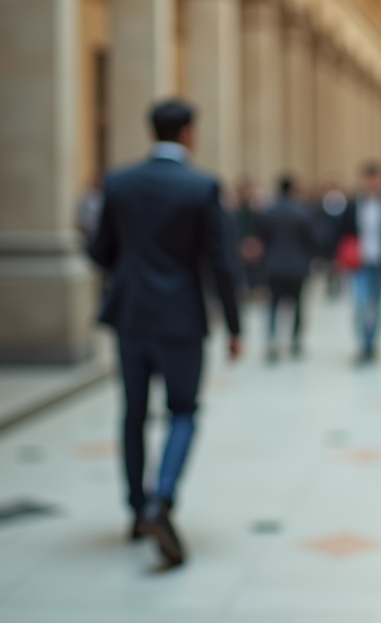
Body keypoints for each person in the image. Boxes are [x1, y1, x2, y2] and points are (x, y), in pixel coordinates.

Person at [88, 100, 241, 568]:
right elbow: (220, 262)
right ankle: (163, 498)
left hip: (131, 318)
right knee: (183, 411)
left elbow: (100, 252)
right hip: (181, 321)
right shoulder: (202, 186)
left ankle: (136, 509)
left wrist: (134, 272)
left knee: (133, 413)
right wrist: (234, 325)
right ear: (189, 134)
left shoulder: (118, 182)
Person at [341, 162, 381, 363]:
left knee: (375, 304)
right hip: (359, 261)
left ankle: (372, 341)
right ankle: (363, 343)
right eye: (368, 179)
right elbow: (345, 232)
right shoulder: (354, 204)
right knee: (360, 303)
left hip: (380, 261)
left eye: (375, 179)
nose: (371, 183)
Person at [255, 175, 319, 360]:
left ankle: (272, 341)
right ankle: (295, 341)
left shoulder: (269, 211)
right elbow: (313, 240)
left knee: (273, 305)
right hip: (297, 266)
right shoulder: (303, 212)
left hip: (273, 266)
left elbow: (262, 239)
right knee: (298, 304)